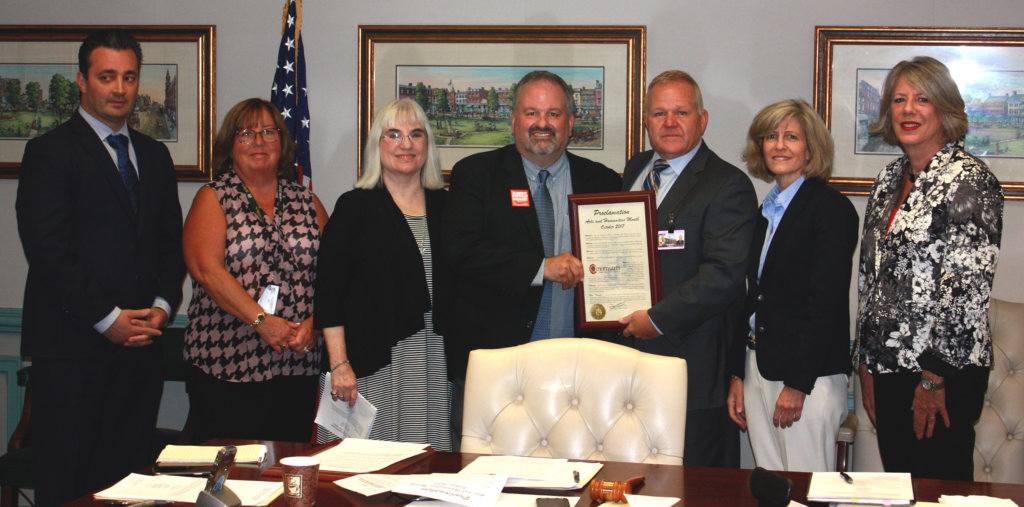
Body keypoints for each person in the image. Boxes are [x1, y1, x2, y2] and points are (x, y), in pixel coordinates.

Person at [15, 29, 186, 505]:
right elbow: (49, 249)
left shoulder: (154, 156)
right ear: (83, 81)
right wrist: (107, 319)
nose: (119, 88)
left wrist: (162, 305)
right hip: (72, 352)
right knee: (69, 485)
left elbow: (171, 245)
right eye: (107, 76)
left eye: (129, 77)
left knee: (128, 487)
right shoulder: (49, 153)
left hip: (140, 354)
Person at [856, 56, 1003, 480]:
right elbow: (871, 280)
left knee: (940, 488)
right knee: (902, 485)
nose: (907, 109)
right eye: (899, 99)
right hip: (888, 367)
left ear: (945, 108)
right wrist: (864, 364)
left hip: (941, 371)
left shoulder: (970, 181)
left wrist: (933, 379)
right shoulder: (888, 180)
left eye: (922, 99)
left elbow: (968, 292)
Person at [617, 70, 757, 468]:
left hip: (692, 366)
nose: (670, 123)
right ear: (645, 121)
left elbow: (724, 276)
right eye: (659, 113)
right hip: (627, 358)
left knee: (693, 482)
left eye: (681, 112)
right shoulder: (636, 169)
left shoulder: (727, 184)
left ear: (703, 119)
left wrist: (657, 319)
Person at [444, 70, 621, 378]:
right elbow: (462, 251)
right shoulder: (476, 175)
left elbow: (618, 261)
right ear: (514, 120)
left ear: (570, 123)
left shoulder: (602, 181)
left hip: (582, 363)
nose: (542, 123)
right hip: (497, 361)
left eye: (553, 113)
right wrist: (542, 268)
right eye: (532, 113)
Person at [182, 98, 327, 444]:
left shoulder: (307, 201)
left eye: (268, 132)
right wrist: (262, 322)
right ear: (229, 145)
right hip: (226, 364)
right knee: (234, 476)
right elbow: (208, 272)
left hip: (297, 364)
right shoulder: (214, 197)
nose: (258, 142)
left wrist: (315, 324)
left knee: (288, 468)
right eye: (246, 134)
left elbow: (334, 273)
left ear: (283, 143)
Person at [725, 99, 859, 472]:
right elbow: (752, 296)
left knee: (807, 489)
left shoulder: (830, 210)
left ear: (810, 148)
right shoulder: (768, 209)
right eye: (771, 136)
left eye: (791, 137)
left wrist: (799, 384)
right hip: (760, 366)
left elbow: (826, 303)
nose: (779, 145)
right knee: (772, 485)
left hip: (805, 377)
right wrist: (739, 373)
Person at [314, 99, 453, 450]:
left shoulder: (448, 207)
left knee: (424, 464)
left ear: (427, 145)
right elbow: (329, 292)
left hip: (431, 358)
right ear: (378, 145)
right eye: (393, 134)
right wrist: (340, 363)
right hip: (370, 361)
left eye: (415, 134)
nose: (405, 144)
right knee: (361, 471)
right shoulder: (354, 207)